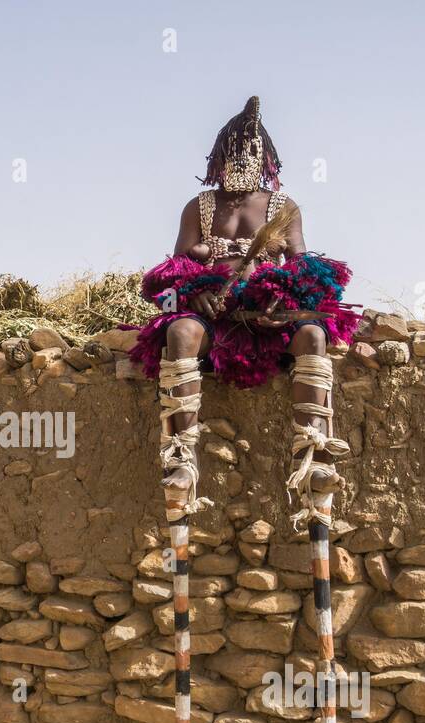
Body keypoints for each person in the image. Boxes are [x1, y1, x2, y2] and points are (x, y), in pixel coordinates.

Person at [128, 96, 361, 526]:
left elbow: (305, 268)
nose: (241, 158)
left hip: (268, 322)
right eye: (232, 149)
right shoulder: (198, 207)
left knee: (313, 336)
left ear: (266, 156)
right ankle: (181, 456)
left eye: (249, 150)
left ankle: (315, 456)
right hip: (215, 323)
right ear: (218, 156)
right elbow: (170, 276)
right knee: (179, 333)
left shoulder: (283, 207)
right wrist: (195, 295)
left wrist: (283, 301)